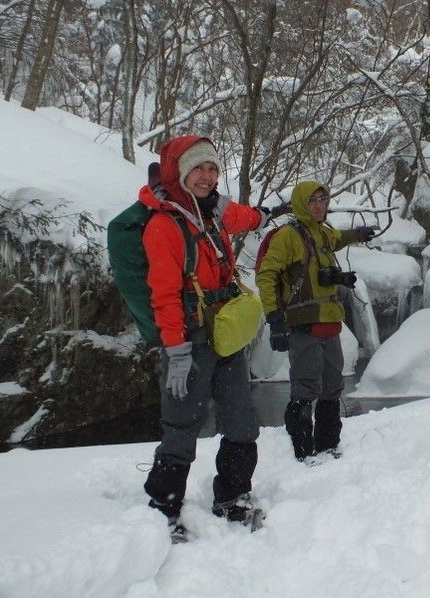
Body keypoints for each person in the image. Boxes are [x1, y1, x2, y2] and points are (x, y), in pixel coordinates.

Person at [140, 135, 268, 540]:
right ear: (180, 170)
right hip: (191, 339)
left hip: (224, 335)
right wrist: (176, 349)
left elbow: (244, 218)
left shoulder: (213, 213)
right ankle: (163, 509)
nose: (207, 177)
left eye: (213, 169)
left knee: (242, 422)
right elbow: (162, 294)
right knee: (182, 426)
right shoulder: (164, 225)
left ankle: (232, 498)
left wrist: (263, 216)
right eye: (198, 168)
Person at [256, 181, 376, 462]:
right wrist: (274, 318)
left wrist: (357, 235)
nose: (320, 205)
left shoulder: (321, 232)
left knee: (332, 386)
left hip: (330, 321)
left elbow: (337, 239)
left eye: (323, 199)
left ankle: (328, 444)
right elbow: (266, 275)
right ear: (301, 204)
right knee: (306, 387)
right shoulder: (288, 236)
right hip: (303, 322)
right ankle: (302, 450)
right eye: (313, 201)